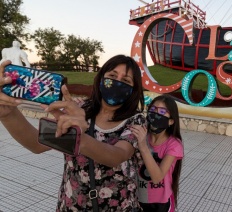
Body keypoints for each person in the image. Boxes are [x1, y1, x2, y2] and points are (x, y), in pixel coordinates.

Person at [0, 55, 145, 211]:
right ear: (101, 78)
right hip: (72, 205)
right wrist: (8, 114)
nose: (117, 83)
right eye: (112, 76)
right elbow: (37, 144)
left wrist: (79, 137)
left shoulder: (136, 120)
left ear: (133, 90)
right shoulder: (79, 109)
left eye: (126, 81)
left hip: (118, 207)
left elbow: (117, 156)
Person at [130, 94, 184, 212]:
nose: (156, 114)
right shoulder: (142, 135)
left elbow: (157, 178)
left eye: (162, 111)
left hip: (161, 203)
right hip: (138, 198)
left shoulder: (174, 144)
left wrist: (143, 146)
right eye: (153, 110)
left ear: (171, 121)